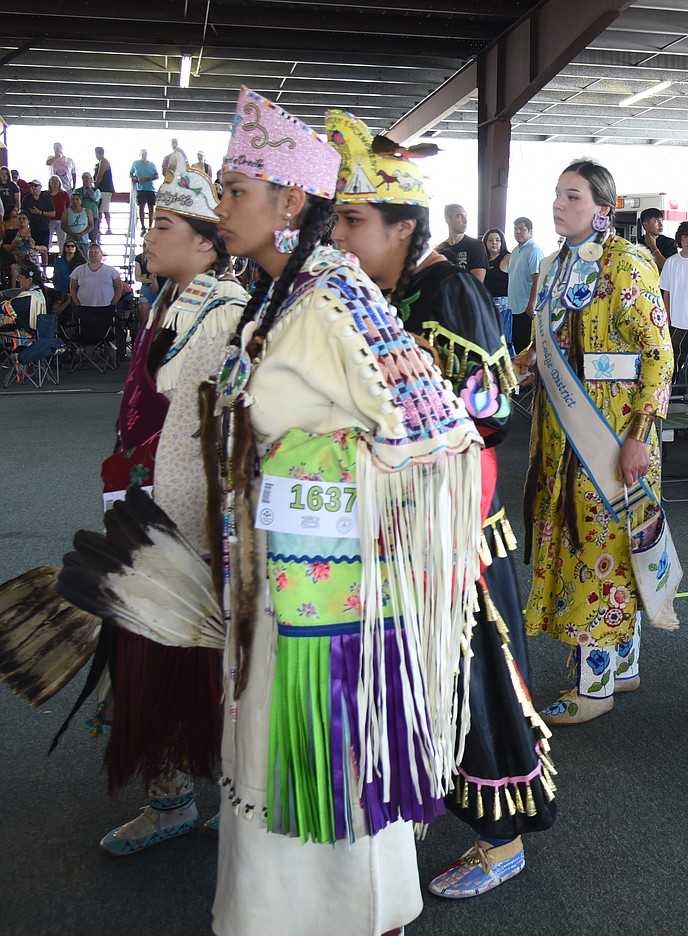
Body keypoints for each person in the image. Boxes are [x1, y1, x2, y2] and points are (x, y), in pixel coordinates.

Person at [211, 88, 483, 936]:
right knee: (270, 759)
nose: (220, 209)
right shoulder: (277, 296)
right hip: (278, 580)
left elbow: (442, 440)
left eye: (235, 192)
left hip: (333, 604)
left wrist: (292, 466)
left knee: (326, 770)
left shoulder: (335, 298)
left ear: (292, 203)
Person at [327, 110, 555, 899]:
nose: (341, 236)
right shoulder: (385, 294)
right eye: (338, 218)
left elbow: (488, 409)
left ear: (404, 226)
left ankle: (501, 840)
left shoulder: (446, 288)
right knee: (432, 680)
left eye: (355, 220)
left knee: (476, 678)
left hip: (457, 531)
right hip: (411, 525)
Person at [84, 155, 251, 856]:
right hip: (148, 511)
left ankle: (199, 797)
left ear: (207, 241)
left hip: (193, 523)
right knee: (157, 653)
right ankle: (173, 792)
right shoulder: (166, 302)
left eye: (164, 225)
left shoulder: (230, 314)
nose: (150, 237)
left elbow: (234, 431)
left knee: (192, 659)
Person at [515, 157, 673, 726]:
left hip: (611, 435)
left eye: (573, 197)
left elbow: (659, 355)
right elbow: (550, 340)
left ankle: (593, 687)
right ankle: (621, 666)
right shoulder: (557, 266)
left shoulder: (627, 265)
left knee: (599, 550)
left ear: (604, 208)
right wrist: (523, 364)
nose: (559, 205)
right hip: (563, 438)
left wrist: (639, 437)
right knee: (593, 545)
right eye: (557, 194)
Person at [508, 217, 543, 352]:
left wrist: (532, 304)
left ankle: (528, 373)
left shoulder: (534, 250)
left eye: (522, 229)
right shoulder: (516, 250)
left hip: (526, 307)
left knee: (526, 348)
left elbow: (538, 278)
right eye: (515, 229)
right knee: (517, 345)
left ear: (530, 231)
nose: (518, 232)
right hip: (515, 307)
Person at [436, 203, 488, 281]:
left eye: (465, 216)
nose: (465, 220)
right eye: (459, 216)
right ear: (448, 219)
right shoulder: (440, 249)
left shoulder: (476, 245)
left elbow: (477, 283)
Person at [482, 227, 513, 351]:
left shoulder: (508, 258)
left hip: (504, 307)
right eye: (490, 240)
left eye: (497, 240)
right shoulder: (481, 260)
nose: (494, 243)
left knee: (503, 342)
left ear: (502, 242)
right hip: (486, 306)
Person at [638, 207, 677, 271]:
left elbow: (668, 268)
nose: (661, 225)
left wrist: (653, 246)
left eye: (661, 221)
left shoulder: (669, 243)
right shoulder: (639, 243)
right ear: (645, 225)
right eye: (656, 221)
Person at [130, 150, 159, 232]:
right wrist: (137, 179)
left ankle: (150, 225)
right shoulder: (136, 163)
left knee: (151, 207)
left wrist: (148, 178)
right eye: (143, 153)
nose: (144, 155)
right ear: (140, 155)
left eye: (145, 153)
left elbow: (157, 175)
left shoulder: (152, 164)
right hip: (141, 188)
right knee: (141, 206)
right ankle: (142, 226)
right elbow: (130, 174)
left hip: (151, 188)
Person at [21, 179, 54, 249]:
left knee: (44, 248)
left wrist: (40, 212)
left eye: (35, 186)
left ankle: (45, 260)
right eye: (31, 186)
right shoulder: (26, 198)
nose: (33, 188)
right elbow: (22, 212)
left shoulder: (47, 198)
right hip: (30, 227)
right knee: (30, 247)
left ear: (40, 187)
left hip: (43, 226)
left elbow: (53, 213)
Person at [94, 146, 116, 235]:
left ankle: (108, 227)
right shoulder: (100, 162)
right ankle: (99, 228)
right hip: (101, 189)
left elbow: (100, 176)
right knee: (99, 209)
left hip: (105, 189)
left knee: (104, 209)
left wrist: (95, 184)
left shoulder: (104, 162)